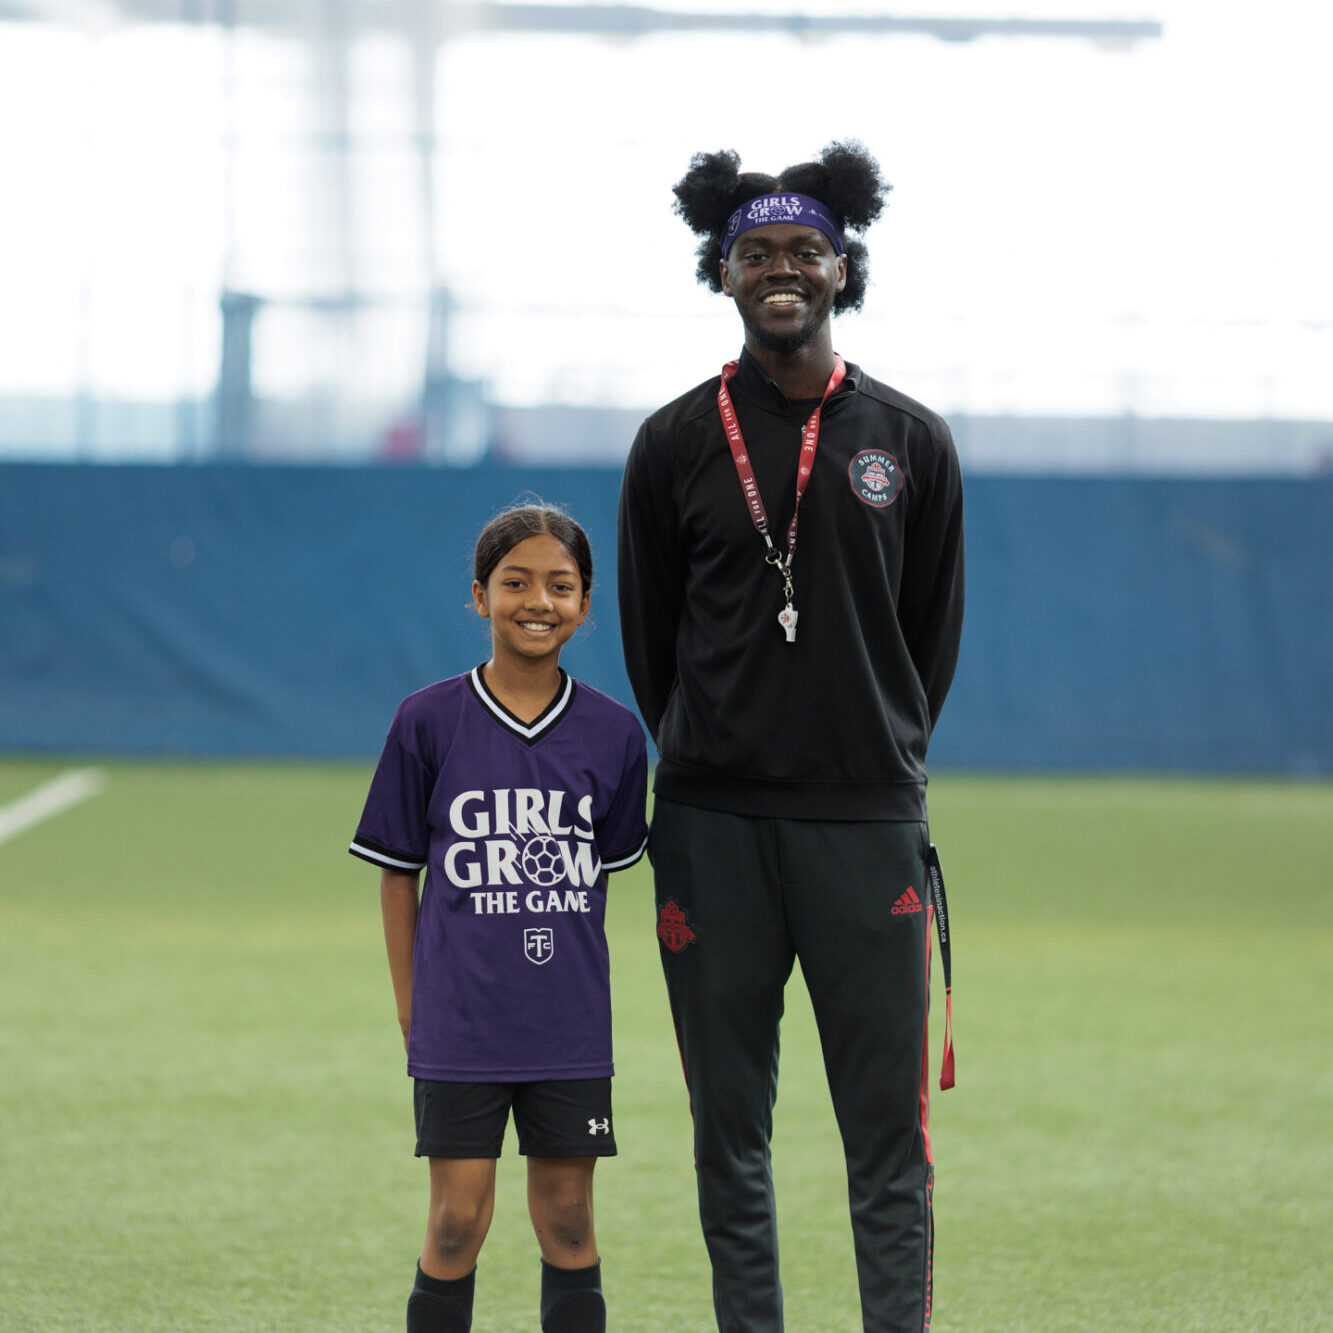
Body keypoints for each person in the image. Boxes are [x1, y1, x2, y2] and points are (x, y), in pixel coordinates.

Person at [616, 142, 964, 1333]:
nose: (780, 269)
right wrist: (711, 752)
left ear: (841, 269)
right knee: (731, 1135)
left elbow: (930, 638)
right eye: (755, 252)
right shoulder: (672, 442)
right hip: (711, 830)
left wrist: (873, 754)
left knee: (886, 1137)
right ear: (721, 273)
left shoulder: (909, 441)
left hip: (864, 828)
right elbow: (648, 637)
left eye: (803, 251)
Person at [350, 504, 648, 1333]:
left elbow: (603, 879)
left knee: (569, 1217)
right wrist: (415, 1006)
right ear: (479, 596)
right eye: (515, 582)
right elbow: (395, 875)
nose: (537, 601)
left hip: (566, 1022)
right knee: (454, 1220)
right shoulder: (427, 720)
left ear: (586, 604)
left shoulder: (615, 735)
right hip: (460, 1021)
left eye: (561, 585)